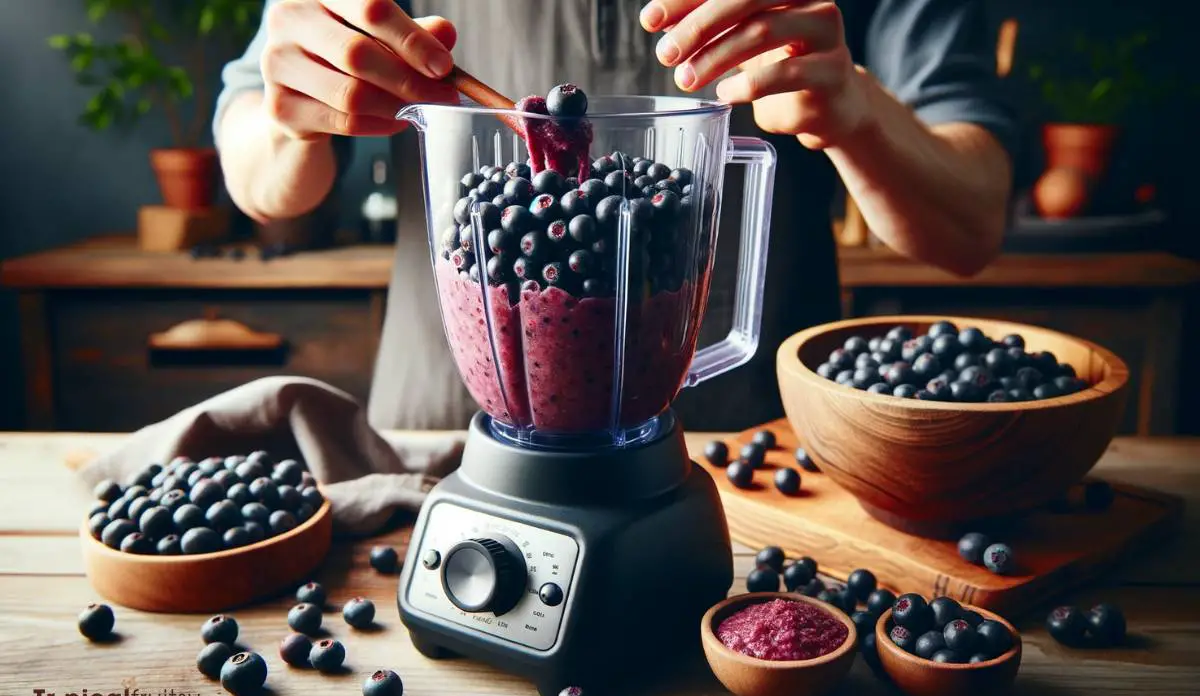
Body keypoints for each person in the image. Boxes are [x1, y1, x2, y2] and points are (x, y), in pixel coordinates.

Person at [214, 0, 1014, 432]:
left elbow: (972, 222)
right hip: (440, 443)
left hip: (756, 451)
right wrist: (292, 117)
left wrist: (858, 110)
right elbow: (257, 165)